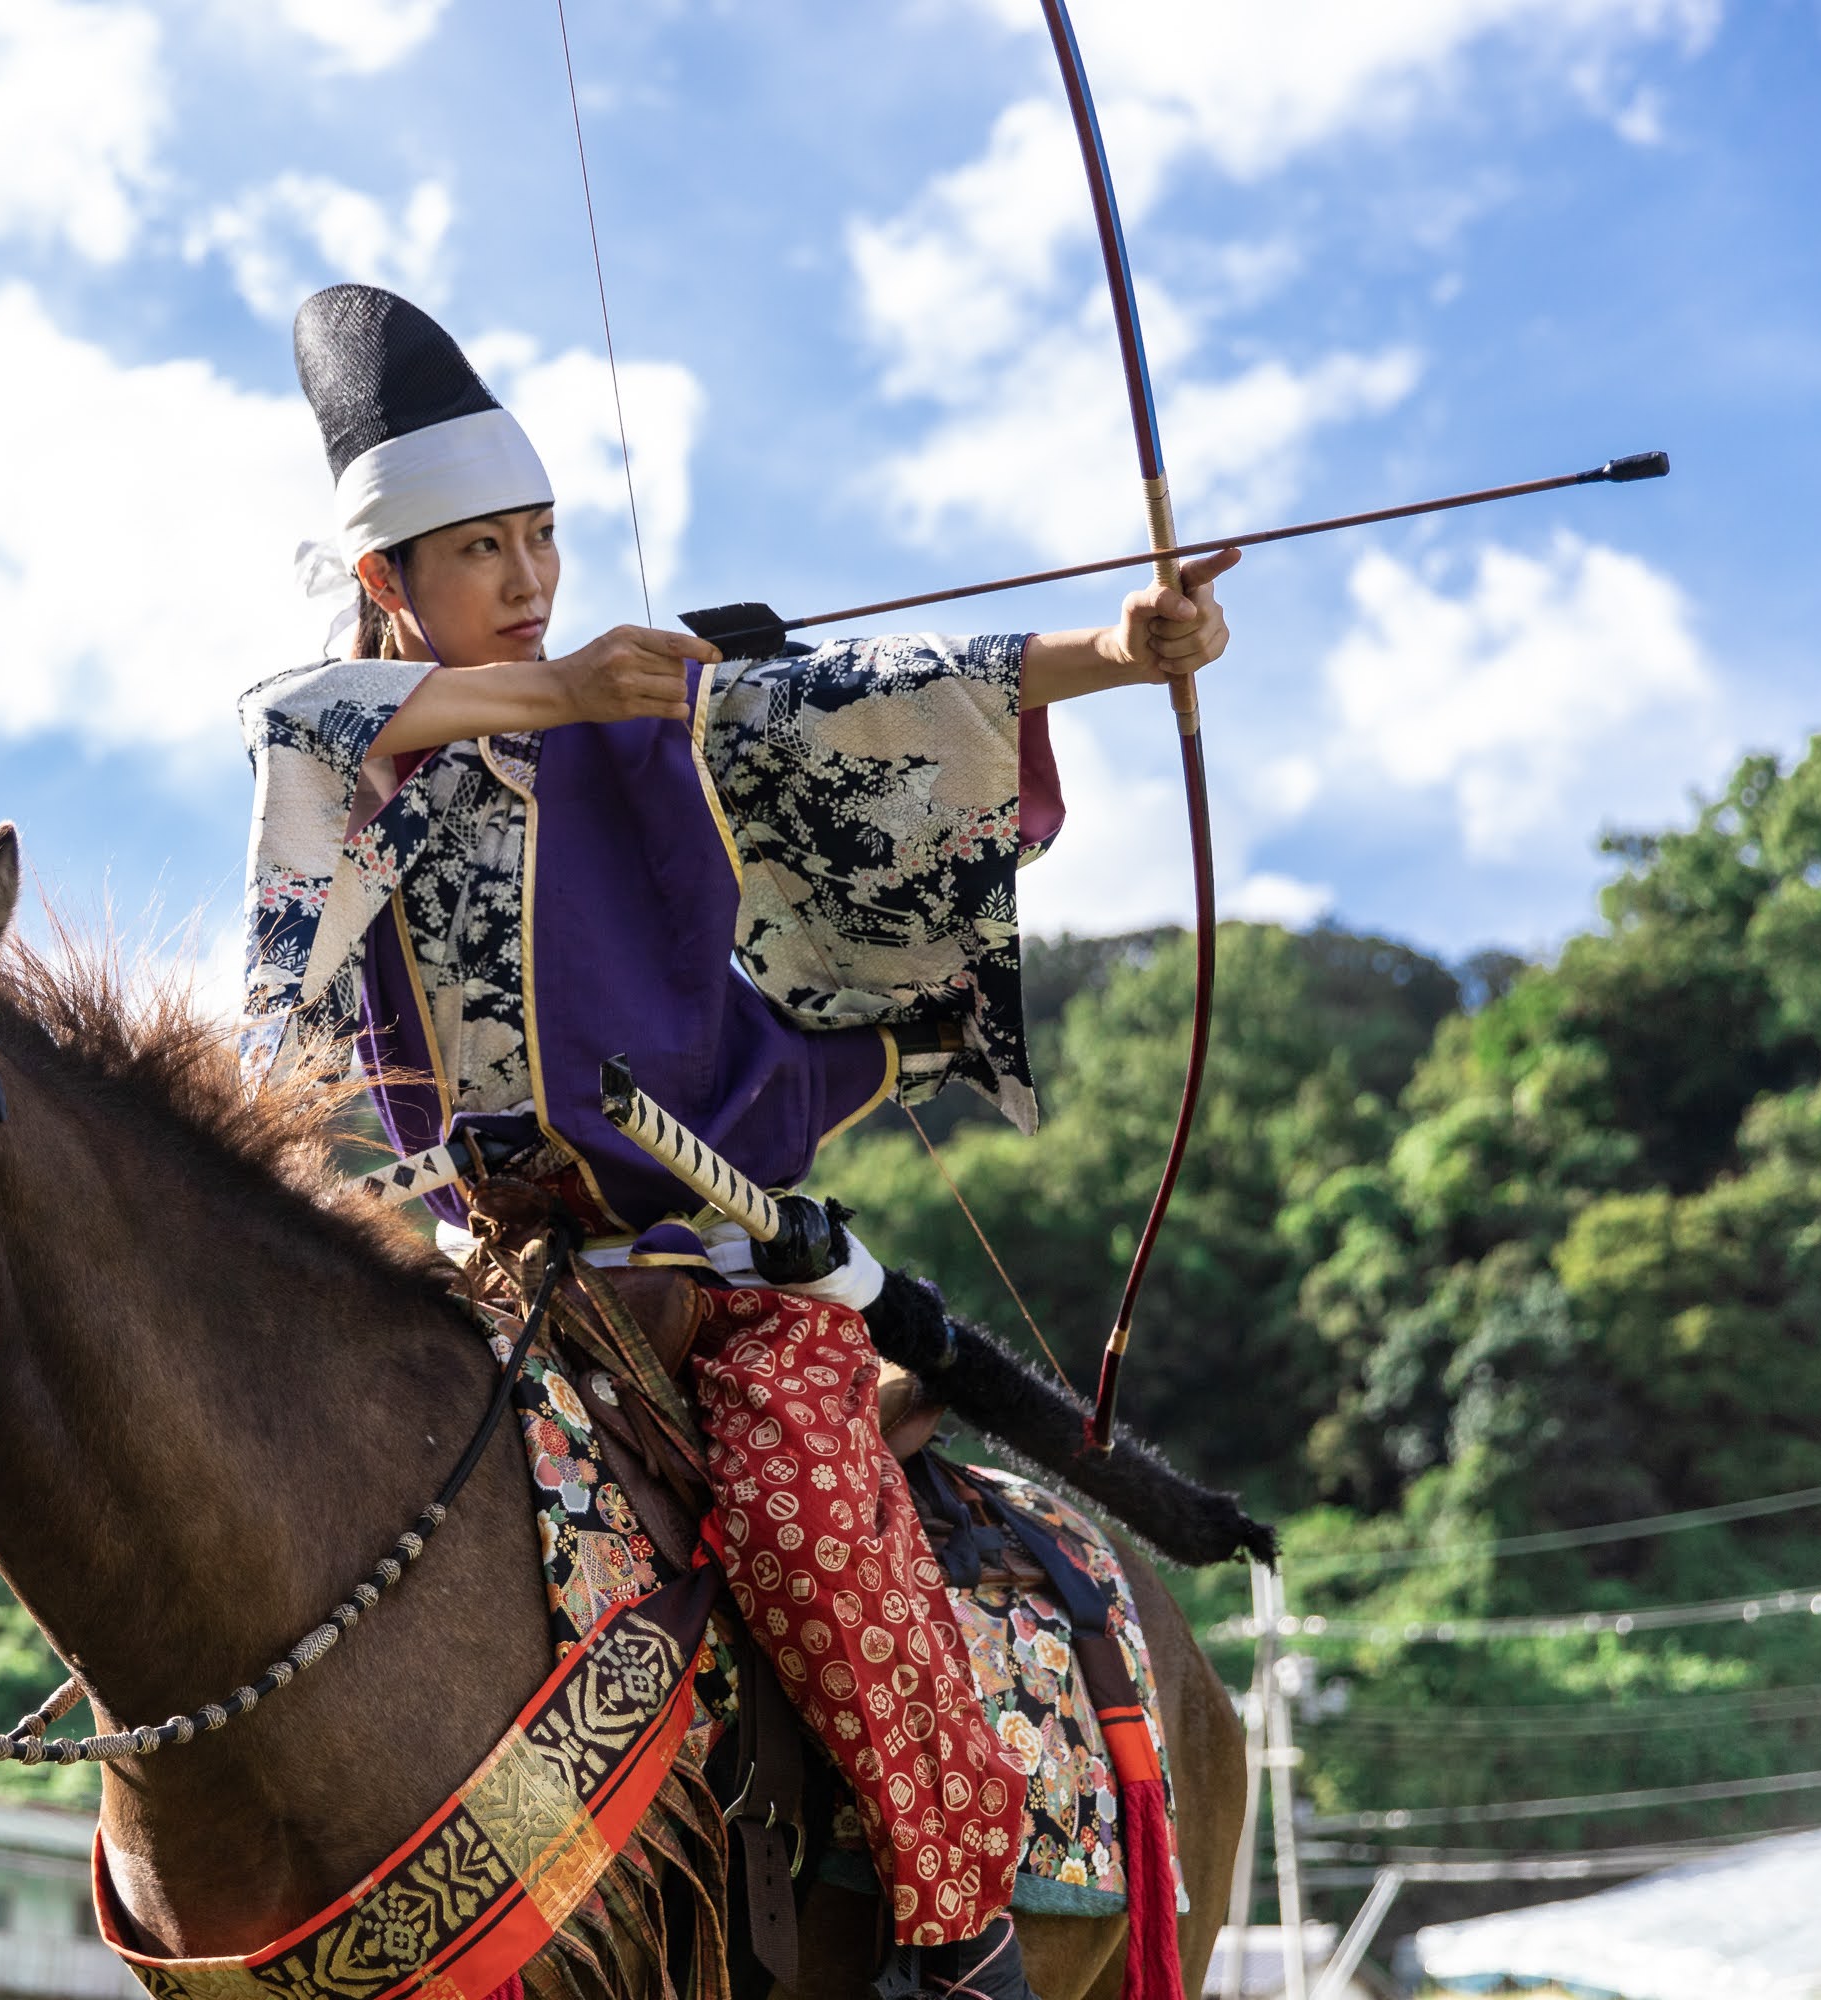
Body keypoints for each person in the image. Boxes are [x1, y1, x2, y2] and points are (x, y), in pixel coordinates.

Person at [238, 285, 1238, 1996]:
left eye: (543, 540)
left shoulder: (648, 711)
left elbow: (871, 698)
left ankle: (960, 1918)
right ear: (386, 582)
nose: (533, 582)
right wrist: (559, 692)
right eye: (479, 552)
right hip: (478, 1286)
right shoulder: (362, 747)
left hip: (708, 1260)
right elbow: (310, 718)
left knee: (797, 1499)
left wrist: (1117, 654)